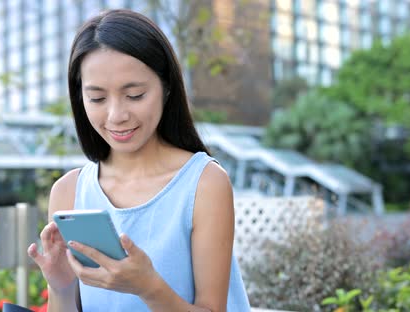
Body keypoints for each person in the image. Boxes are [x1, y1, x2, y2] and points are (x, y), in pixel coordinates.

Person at [27, 9, 250, 312]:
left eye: (134, 95)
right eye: (97, 98)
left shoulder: (204, 183)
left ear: (166, 87)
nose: (117, 115)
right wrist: (61, 287)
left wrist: (148, 287)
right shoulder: (68, 191)